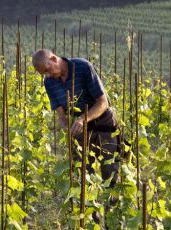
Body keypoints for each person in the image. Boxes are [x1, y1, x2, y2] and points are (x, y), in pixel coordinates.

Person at [32, 49, 120, 224]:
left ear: (54, 58)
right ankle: (92, 223)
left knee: (110, 176)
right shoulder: (49, 83)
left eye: (48, 70)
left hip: (104, 126)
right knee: (83, 179)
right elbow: (61, 116)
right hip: (80, 133)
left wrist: (83, 119)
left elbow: (103, 103)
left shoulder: (83, 67)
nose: (47, 76)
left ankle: (112, 221)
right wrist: (67, 128)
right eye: (44, 73)